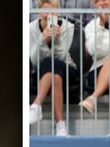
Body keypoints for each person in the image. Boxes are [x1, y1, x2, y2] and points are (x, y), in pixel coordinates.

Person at [29, 1, 80, 137]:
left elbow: (63, 57)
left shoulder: (69, 28)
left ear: (58, 13)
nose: (49, 15)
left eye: (53, 12)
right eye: (45, 11)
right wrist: (42, 40)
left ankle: (36, 106)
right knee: (52, 70)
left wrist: (56, 40)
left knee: (53, 63)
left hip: (67, 69)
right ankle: (60, 125)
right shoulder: (30, 29)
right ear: (39, 12)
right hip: (42, 71)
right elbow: (34, 61)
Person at [81, 0, 110, 135]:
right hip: (99, 69)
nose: (103, 2)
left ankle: (93, 98)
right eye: (99, 0)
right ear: (95, 5)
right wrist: (100, 25)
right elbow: (94, 51)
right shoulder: (90, 26)